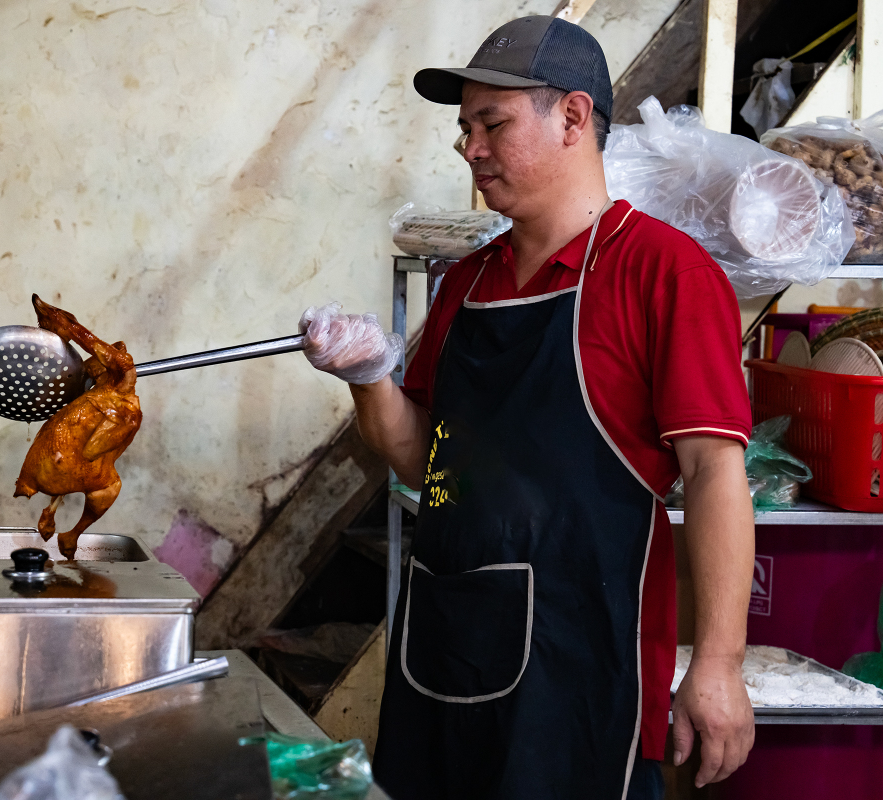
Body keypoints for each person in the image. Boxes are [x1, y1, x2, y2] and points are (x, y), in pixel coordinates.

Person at [299, 15, 756, 800]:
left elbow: (715, 472)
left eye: (492, 123)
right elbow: (421, 458)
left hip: (582, 666)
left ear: (574, 118)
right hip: (445, 643)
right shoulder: (468, 281)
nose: (467, 147)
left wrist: (717, 665)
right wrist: (369, 375)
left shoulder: (662, 273)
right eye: (464, 126)